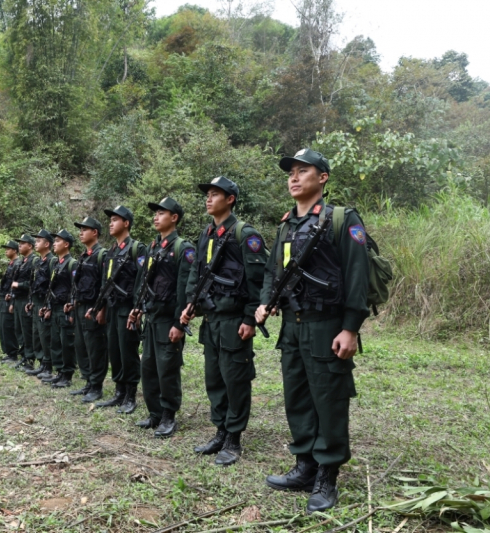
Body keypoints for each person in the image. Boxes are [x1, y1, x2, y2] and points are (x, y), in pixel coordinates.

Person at [255, 148, 369, 513]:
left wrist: (350, 328)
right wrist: (264, 301)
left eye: (303, 171)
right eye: (291, 172)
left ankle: (327, 475)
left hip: (326, 326)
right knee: (298, 397)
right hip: (292, 325)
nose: (293, 177)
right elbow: (273, 271)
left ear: (322, 178)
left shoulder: (341, 219)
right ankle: (305, 465)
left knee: (329, 400)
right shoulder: (287, 224)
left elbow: (356, 276)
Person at [180, 177, 267, 466]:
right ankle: (219, 431)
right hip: (212, 319)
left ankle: (233, 438)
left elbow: (258, 280)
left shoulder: (245, 234)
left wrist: (249, 318)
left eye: (215, 194)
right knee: (214, 379)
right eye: (207, 194)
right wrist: (191, 305)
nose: (208, 199)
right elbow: (197, 274)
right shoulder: (207, 233)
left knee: (235, 381)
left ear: (230, 199)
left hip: (234, 321)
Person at [130, 197, 195, 438]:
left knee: (167, 368)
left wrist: (180, 322)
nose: (156, 216)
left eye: (161, 213)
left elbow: (184, 288)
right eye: (155, 213)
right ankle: (154, 413)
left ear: (174, 217)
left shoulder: (183, 248)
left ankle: (168, 416)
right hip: (152, 318)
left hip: (169, 320)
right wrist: (138, 308)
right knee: (148, 367)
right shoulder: (154, 248)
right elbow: (146, 282)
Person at [90, 205, 147, 415]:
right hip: (113, 308)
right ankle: (118, 392)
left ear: (126, 223)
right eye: (110, 219)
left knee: (128, 352)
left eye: (115, 219)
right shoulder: (111, 251)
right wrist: (102, 308)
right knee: (114, 351)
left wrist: (137, 310)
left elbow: (142, 282)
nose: (111, 223)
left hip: (127, 309)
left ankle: (130, 395)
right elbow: (106, 282)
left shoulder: (137, 249)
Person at [65, 217, 108, 403]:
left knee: (95, 348)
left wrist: (101, 308)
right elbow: (78, 284)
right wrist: (73, 302)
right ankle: (89, 382)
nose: (81, 233)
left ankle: (97, 386)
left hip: (93, 307)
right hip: (80, 307)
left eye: (85, 229)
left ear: (95, 232)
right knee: (81, 346)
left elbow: (105, 285)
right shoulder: (83, 256)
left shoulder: (102, 255)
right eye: (80, 229)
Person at [41, 229, 78, 388]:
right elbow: (51, 287)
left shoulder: (72, 263)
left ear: (66, 244)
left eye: (57, 241)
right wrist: (48, 306)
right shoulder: (56, 263)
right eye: (54, 241)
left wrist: (71, 308)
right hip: (55, 308)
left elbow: (75, 288)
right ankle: (60, 372)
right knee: (55, 341)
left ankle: (67, 374)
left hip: (65, 308)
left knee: (66, 342)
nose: (54, 244)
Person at [24, 229, 54, 375]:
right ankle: (42, 363)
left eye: (38, 241)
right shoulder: (38, 262)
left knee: (45, 334)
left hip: (44, 302)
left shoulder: (52, 261)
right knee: (37, 334)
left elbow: (53, 285)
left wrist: (48, 305)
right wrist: (30, 300)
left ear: (47, 244)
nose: (35, 243)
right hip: (36, 301)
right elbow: (34, 283)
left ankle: (48, 365)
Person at [9, 234, 39, 368]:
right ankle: (24, 355)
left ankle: (30, 359)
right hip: (18, 300)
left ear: (30, 246)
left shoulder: (34, 261)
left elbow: (34, 283)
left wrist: (19, 285)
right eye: (19, 243)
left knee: (27, 331)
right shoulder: (21, 262)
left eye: (23, 243)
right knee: (19, 330)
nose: (19, 245)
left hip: (27, 300)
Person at [0, 240, 21, 364]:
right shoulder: (11, 264)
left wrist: (11, 298)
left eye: (8, 248)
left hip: (10, 300)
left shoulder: (17, 264)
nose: (6, 250)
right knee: (2, 327)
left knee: (8, 326)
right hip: (3, 299)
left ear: (15, 250)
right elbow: (6, 282)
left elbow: (15, 284)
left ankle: (13, 353)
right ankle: (8, 352)